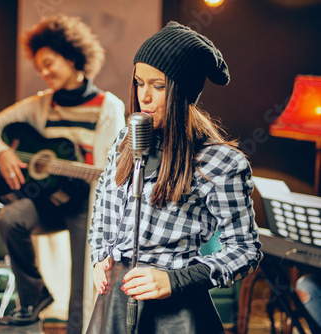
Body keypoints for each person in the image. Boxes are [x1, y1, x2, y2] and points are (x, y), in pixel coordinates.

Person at [86, 21, 263, 333]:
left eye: (159, 86)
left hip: (175, 312)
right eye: (139, 83)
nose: (145, 97)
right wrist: (101, 254)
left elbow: (245, 249)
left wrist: (175, 279)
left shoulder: (219, 161)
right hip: (113, 300)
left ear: (184, 91)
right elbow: (102, 202)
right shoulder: (126, 139)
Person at [0, 14, 125, 333]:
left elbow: (111, 171)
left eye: (49, 63)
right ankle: (34, 295)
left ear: (72, 58)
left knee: (83, 286)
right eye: (40, 66)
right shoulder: (42, 104)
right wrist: (3, 153)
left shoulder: (108, 107)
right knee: (9, 218)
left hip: (89, 205)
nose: (44, 72)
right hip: (49, 201)